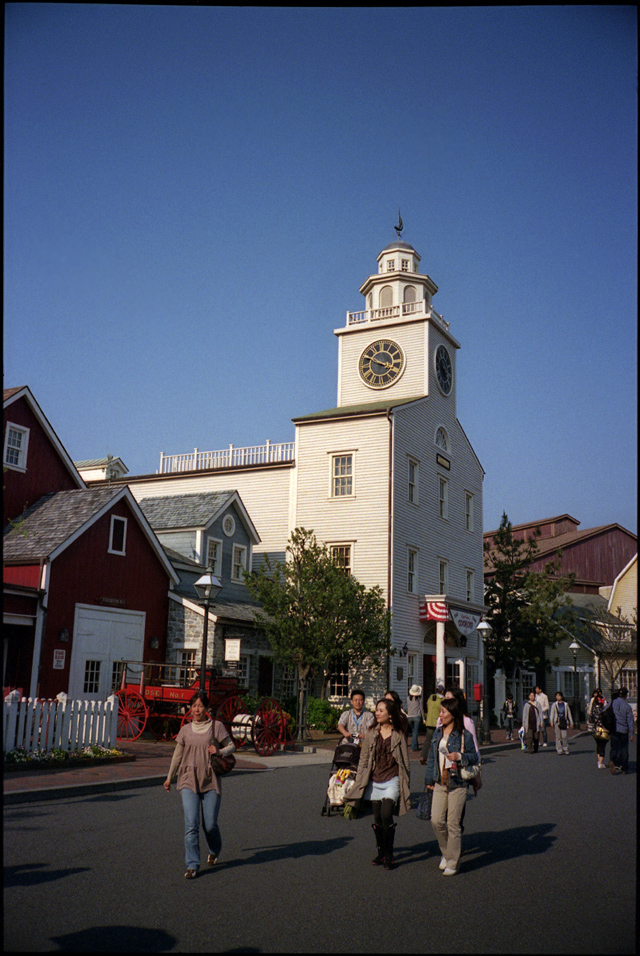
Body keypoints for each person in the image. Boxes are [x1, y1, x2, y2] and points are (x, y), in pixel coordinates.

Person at [164, 690, 236, 879]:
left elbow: (232, 746)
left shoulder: (216, 726)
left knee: (210, 825)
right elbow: (177, 755)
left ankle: (214, 849)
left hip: (210, 779)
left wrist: (219, 750)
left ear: (206, 708)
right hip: (188, 779)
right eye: (194, 706)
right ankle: (192, 864)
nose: (196, 710)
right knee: (191, 825)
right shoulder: (185, 730)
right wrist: (169, 777)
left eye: (200, 706)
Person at [343, 698, 411, 870]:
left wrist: (406, 782)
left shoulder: (399, 734)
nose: (377, 713)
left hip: (392, 779)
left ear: (390, 715)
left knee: (387, 813)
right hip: (375, 779)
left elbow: (405, 761)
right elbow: (364, 757)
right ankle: (381, 851)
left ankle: (389, 853)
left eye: (381, 710)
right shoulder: (372, 733)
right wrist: (360, 781)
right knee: (377, 818)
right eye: (377, 710)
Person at [424, 696, 480, 876]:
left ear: (453, 714)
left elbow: (474, 757)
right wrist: (428, 781)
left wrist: (460, 756)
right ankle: (447, 853)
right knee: (436, 821)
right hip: (440, 782)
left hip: (458, 783)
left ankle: (452, 862)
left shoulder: (465, 735)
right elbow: (432, 758)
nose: (440, 715)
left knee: (453, 824)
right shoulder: (437, 733)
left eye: (443, 712)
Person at [609, 687, 635, 775]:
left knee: (614, 747)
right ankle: (624, 768)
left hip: (614, 728)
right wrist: (631, 733)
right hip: (623, 729)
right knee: (624, 749)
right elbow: (630, 720)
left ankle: (612, 760)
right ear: (626, 695)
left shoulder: (612, 703)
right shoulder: (627, 706)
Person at [420, 682, 444, 765]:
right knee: (438, 740)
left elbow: (427, 706)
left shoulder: (430, 698)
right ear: (442, 691)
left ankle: (423, 756)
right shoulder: (442, 700)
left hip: (429, 721)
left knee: (427, 740)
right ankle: (435, 758)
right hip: (437, 722)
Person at [587, 688, 609, 769]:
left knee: (598, 744)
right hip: (603, 729)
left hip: (595, 729)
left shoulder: (594, 710)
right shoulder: (603, 710)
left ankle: (599, 760)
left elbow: (591, 718)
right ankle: (601, 762)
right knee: (602, 745)